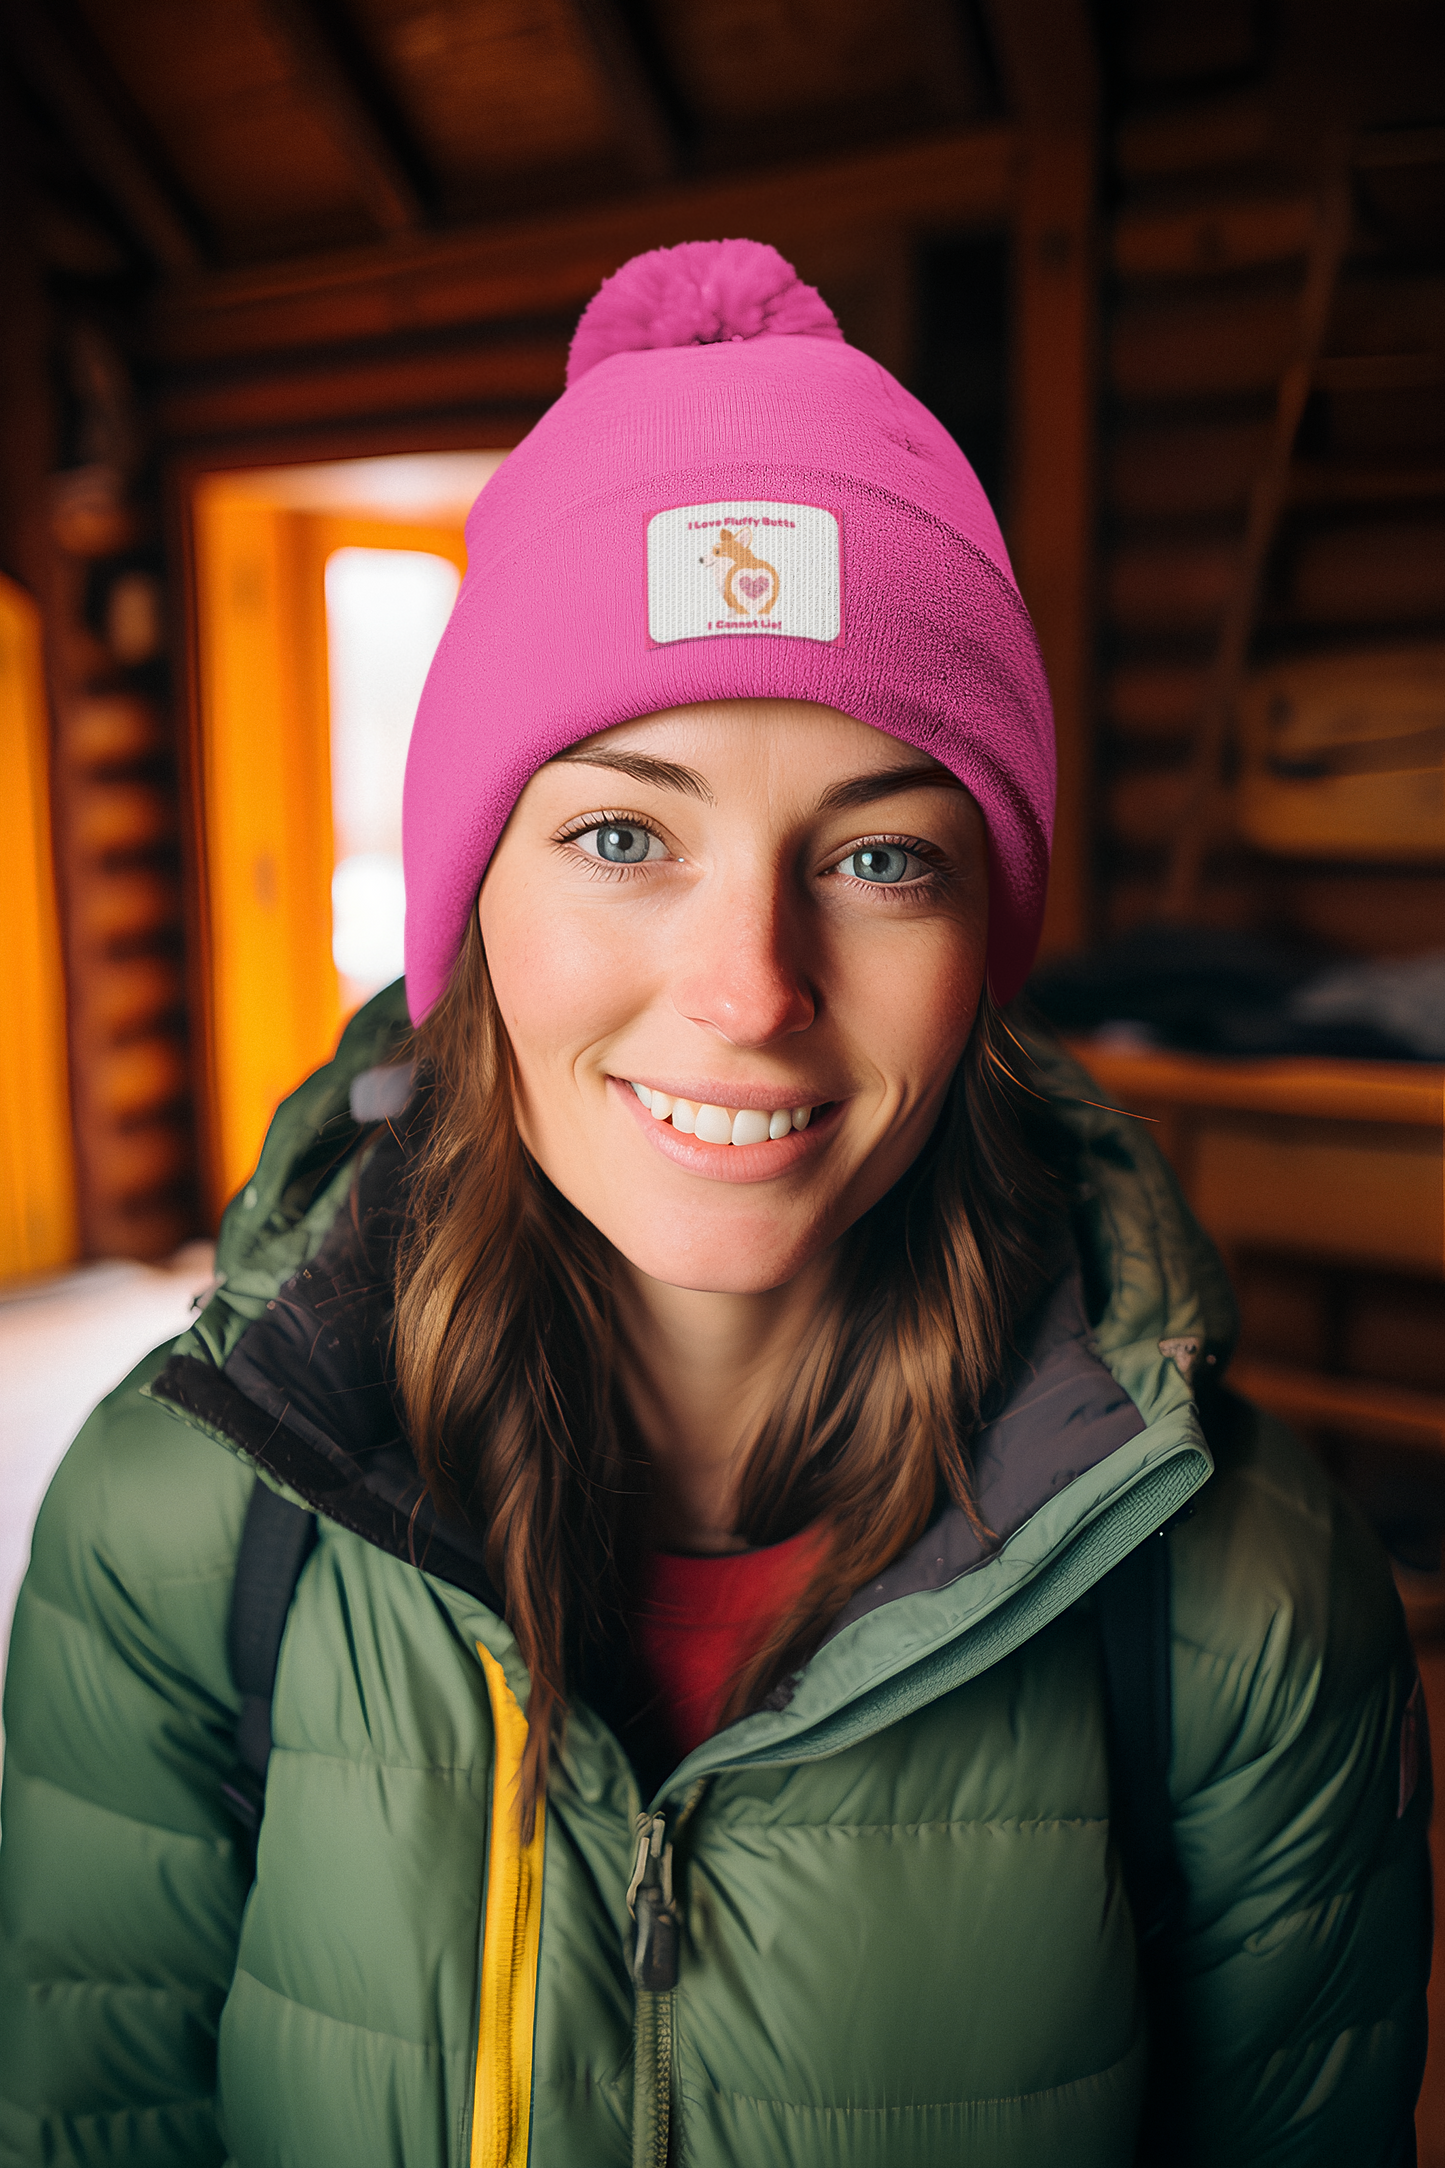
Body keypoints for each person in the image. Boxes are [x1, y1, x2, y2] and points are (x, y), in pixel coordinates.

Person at [0, 240, 1428, 2168]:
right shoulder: (174, 1538)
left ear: (982, 952)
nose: (751, 990)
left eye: (881, 858)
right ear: (471, 916)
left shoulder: (1242, 1603)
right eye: (620, 832)